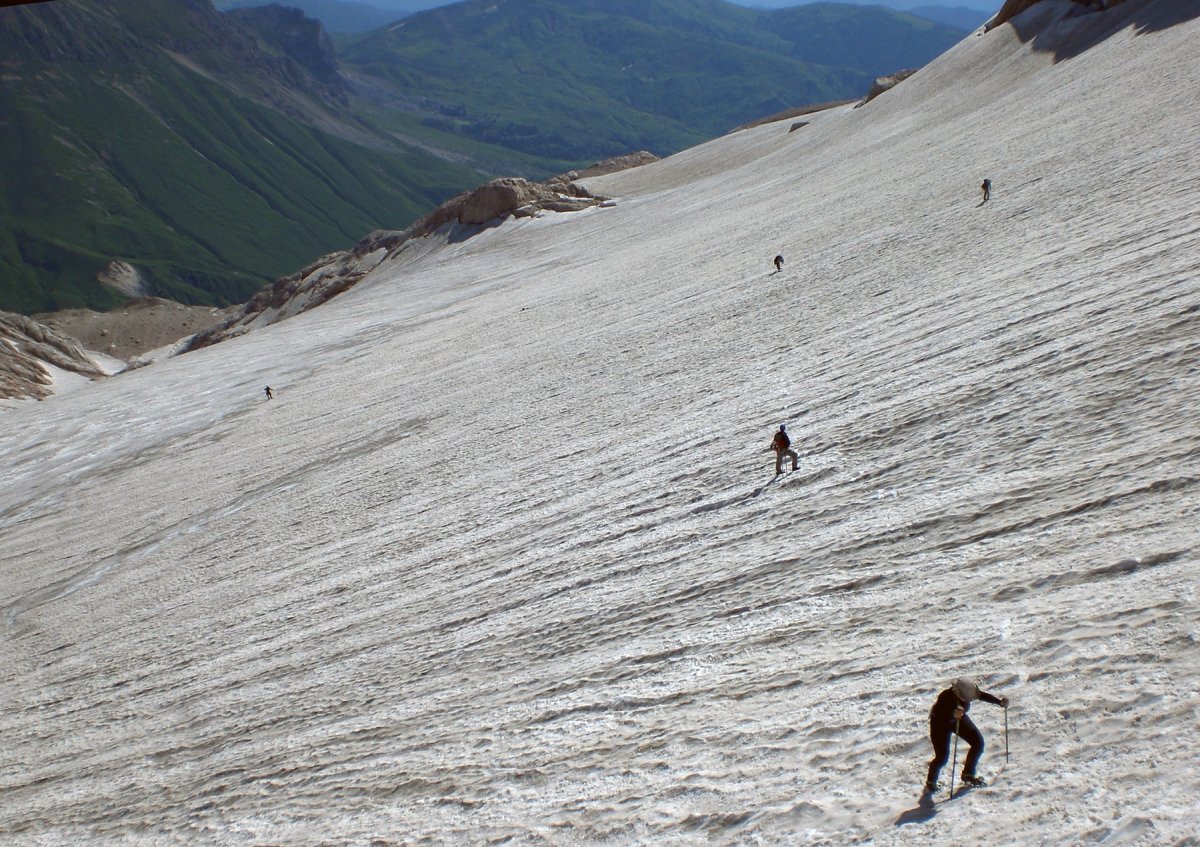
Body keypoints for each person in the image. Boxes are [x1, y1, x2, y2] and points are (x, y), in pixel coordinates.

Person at [924, 678, 1008, 793]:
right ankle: (931, 782)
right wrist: (953, 713)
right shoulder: (945, 696)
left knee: (977, 743)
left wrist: (999, 702)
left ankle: (968, 774)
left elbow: (981, 695)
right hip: (940, 724)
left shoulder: (966, 692)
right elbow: (943, 710)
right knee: (942, 757)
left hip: (958, 719)